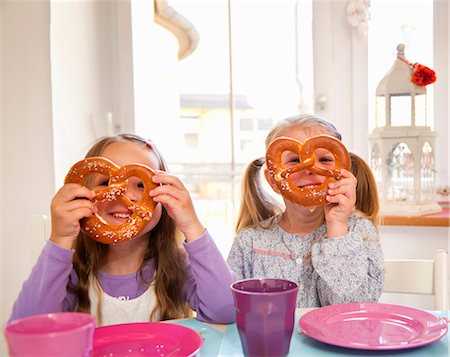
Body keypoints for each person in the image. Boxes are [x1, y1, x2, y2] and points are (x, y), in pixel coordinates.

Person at [10, 133, 236, 325]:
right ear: (83, 192)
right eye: (106, 183)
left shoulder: (176, 265)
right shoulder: (72, 271)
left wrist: (192, 226)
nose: (126, 195)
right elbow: (29, 328)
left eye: (140, 184)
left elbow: (227, 312)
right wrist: (60, 238)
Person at [227, 114, 384, 307]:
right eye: (294, 160)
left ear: (343, 170)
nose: (311, 169)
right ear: (273, 180)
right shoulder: (249, 242)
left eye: (325, 159)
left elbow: (353, 311)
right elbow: (230, 311)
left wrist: (337, 227)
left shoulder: (359, 232)